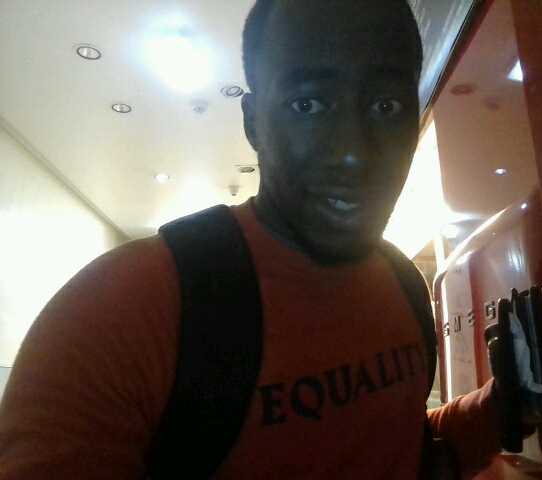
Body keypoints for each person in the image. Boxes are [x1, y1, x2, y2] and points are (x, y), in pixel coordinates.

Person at [0, 0, 502, 478]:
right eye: (308, 104)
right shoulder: (120, 313)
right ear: (253, 122)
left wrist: (500, 408)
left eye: (386, 105)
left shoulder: (403, 283)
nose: (354, 154)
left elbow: (400, 450)